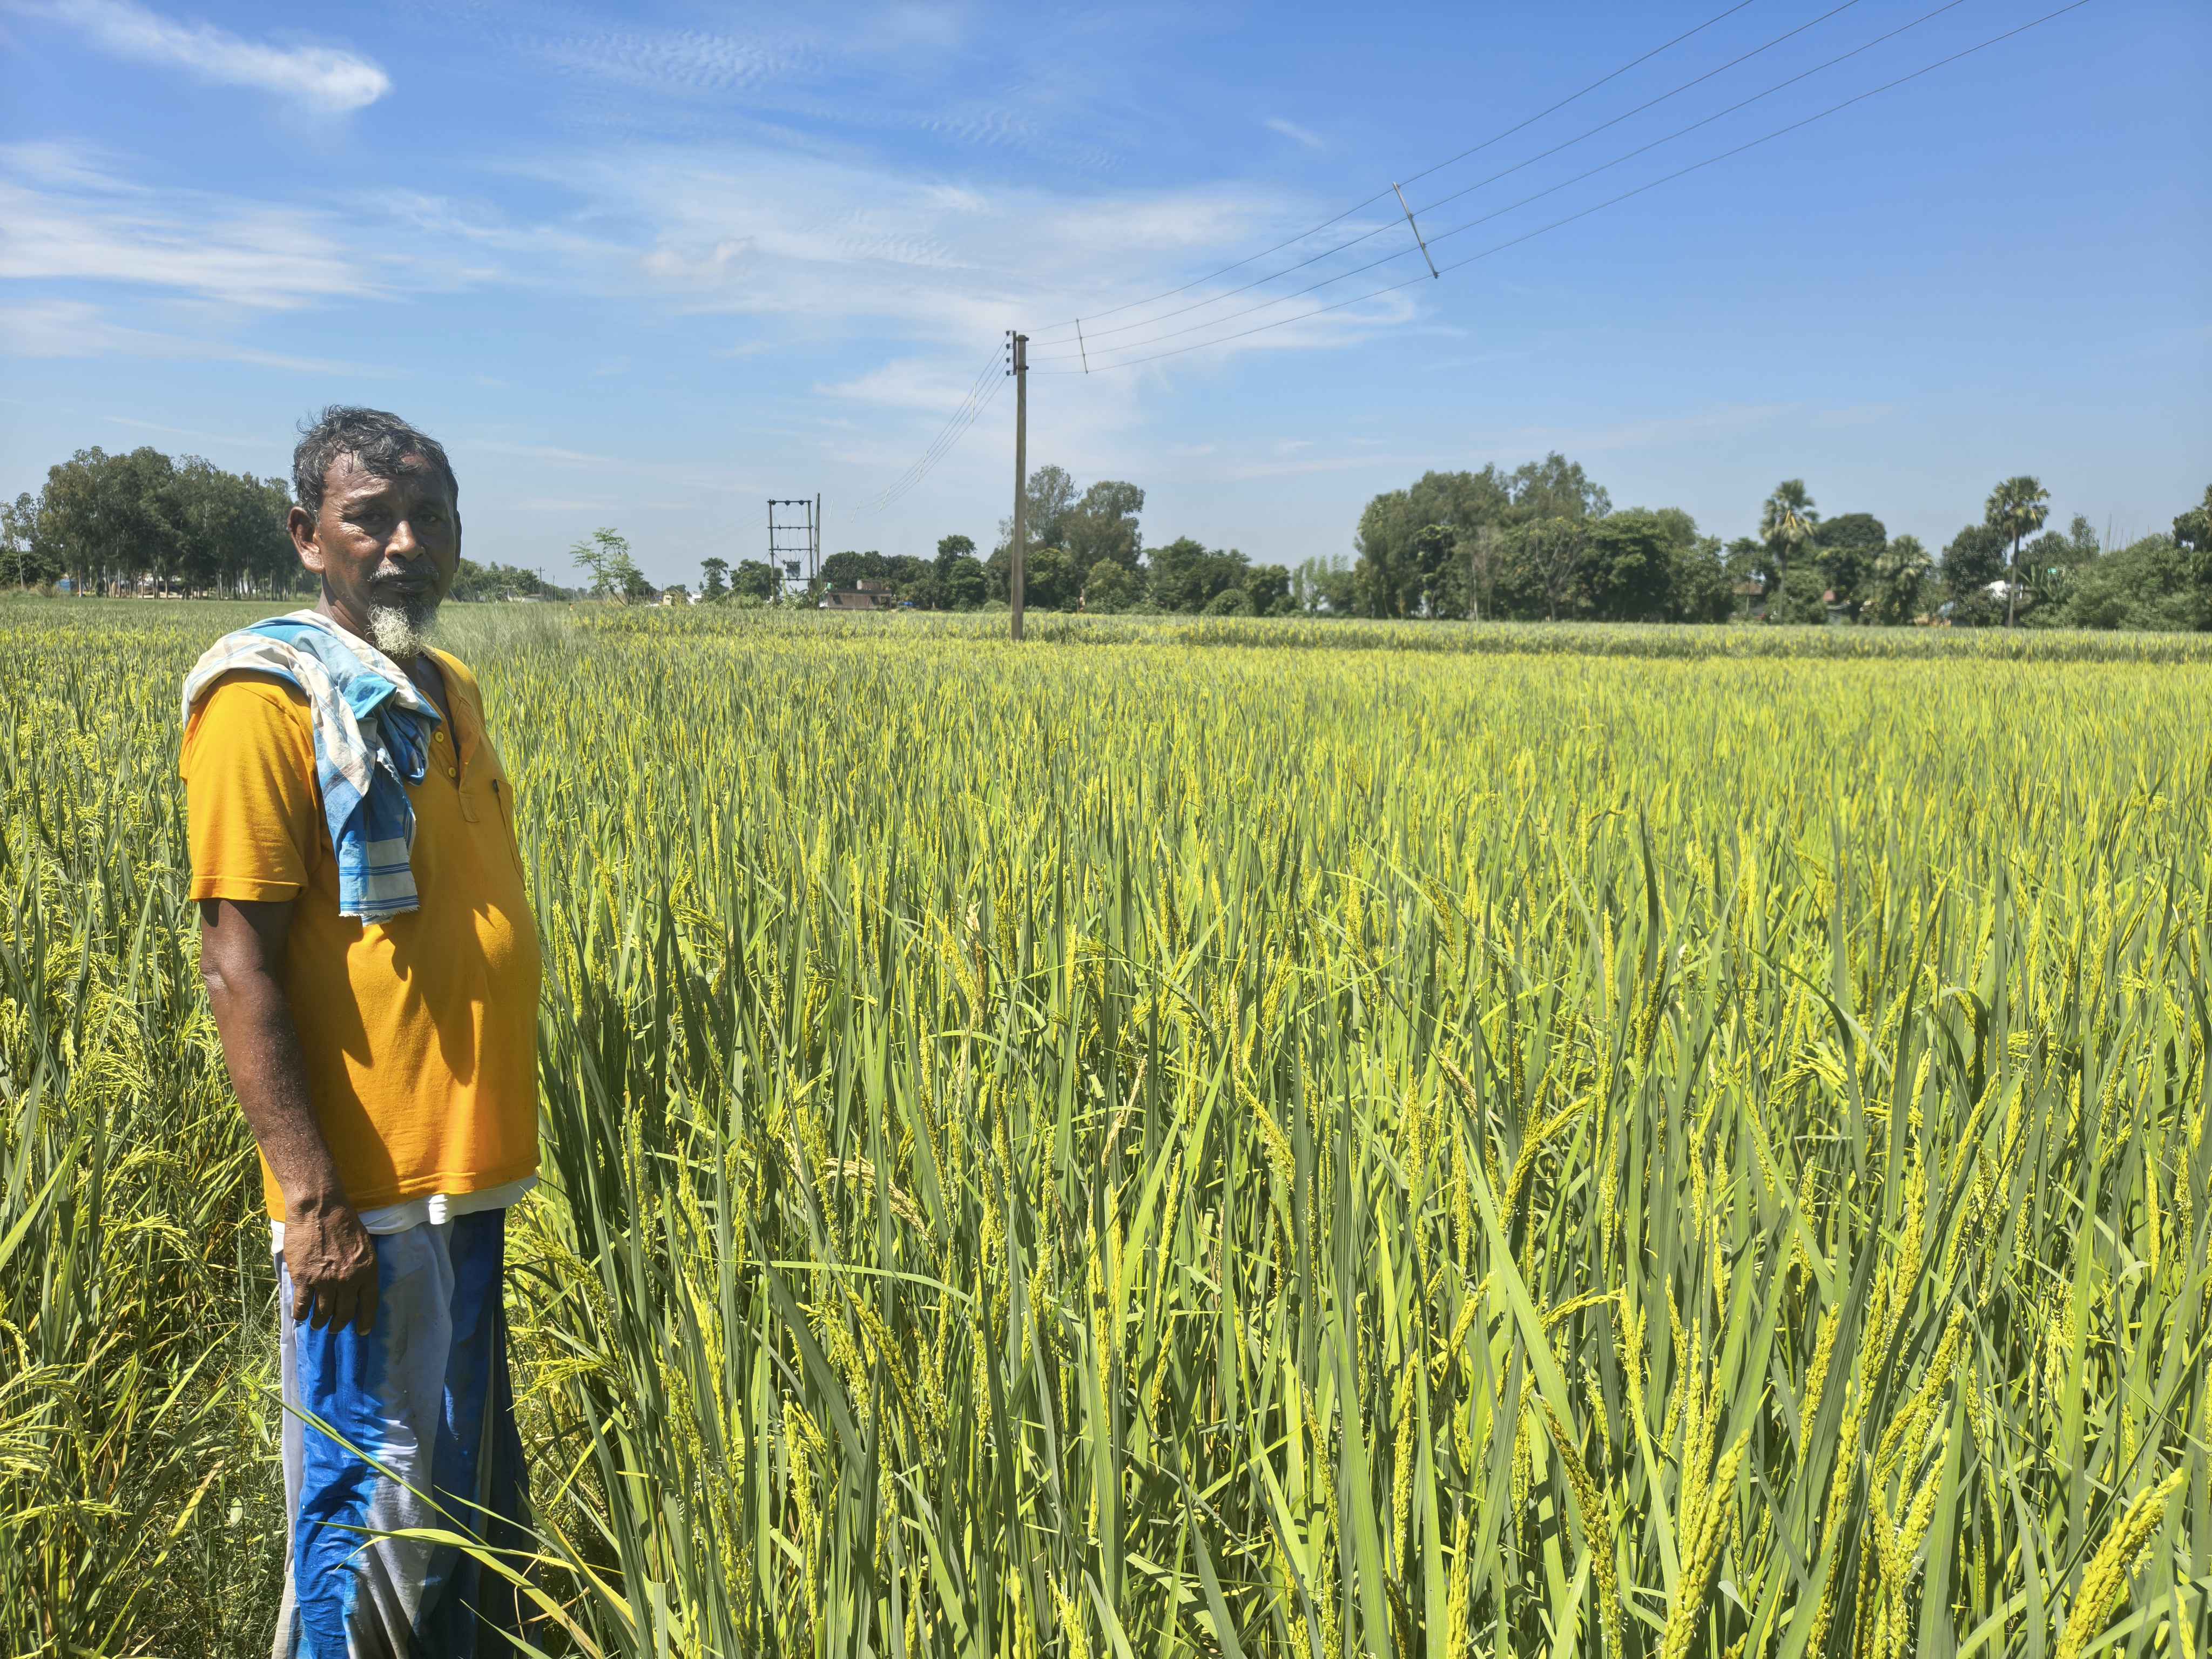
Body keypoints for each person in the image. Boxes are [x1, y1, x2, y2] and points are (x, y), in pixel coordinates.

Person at [183, 407, 539, 1655]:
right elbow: (237, 962)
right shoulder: (266, 699)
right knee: (365, 1517)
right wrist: (311, 1200)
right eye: (368, 519)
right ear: (307, 536)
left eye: (426, 518)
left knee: (458, 1503)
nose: (403, 544)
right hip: (366, 1199)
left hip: (472, 1175)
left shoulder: (446, 687)